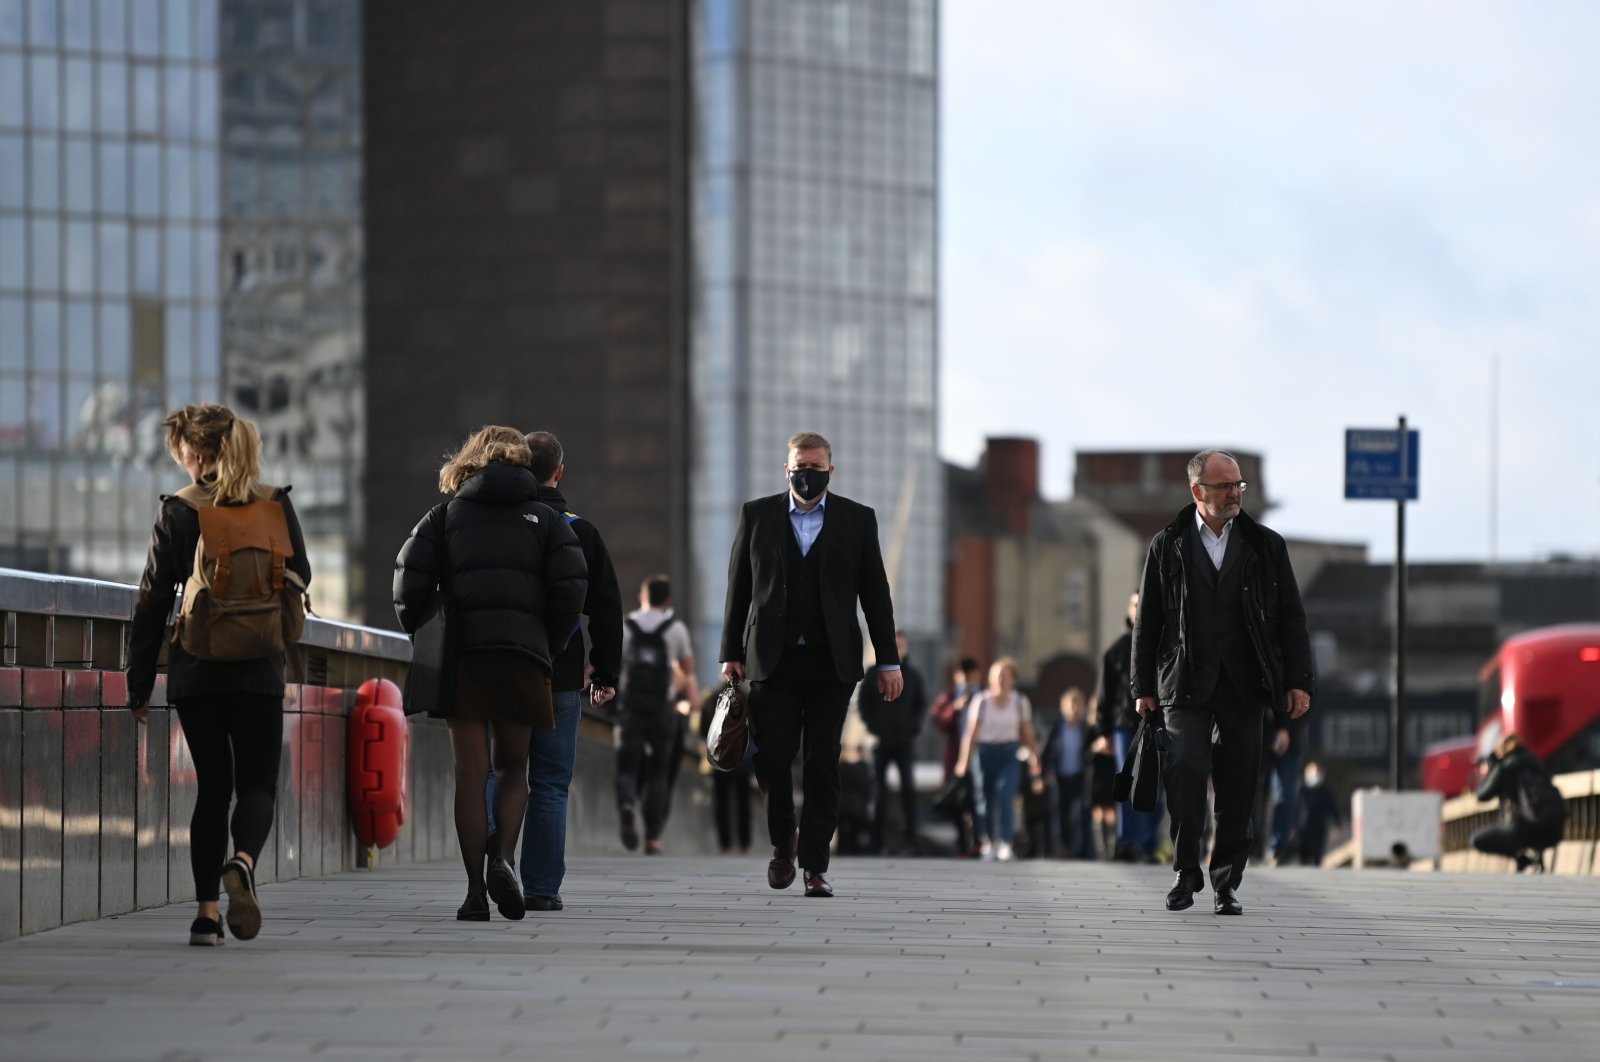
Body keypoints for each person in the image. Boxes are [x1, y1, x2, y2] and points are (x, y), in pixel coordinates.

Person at [128, 403, 312, 946]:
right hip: (260, 665)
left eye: (185, 456)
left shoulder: (180, 510)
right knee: (258, 785)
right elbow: (301, 573)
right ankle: (244, 861)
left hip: (198, 667)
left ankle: (207, 915)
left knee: (213, 788)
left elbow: (153, 600)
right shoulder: (275, 503)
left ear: (200, 453)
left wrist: (139, 682)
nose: (186, 467)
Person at [394, 426, 587, 922]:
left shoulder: (446, 516)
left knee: (470, 773)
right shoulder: (545, 519)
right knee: (514, 770)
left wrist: (425, 630)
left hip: (465, 660)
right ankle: (504, 857)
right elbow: (571, 587)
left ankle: (475, 892)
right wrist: (552, 641)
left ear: (469, 461)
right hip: (524, 658)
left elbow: (407, 582)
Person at [719, 430, 902, 899]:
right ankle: (784, 843)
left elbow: (876, 597)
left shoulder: (858, 521)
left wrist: (888, 661)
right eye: (800, 466)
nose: (807, 474)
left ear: (830, 470)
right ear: (786, 468)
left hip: (830, 664)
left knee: (823, 762)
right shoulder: (757, 515)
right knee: (773, 759)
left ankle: (814, 866)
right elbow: (738, 588)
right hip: (771, 663)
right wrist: (730, 653)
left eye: (816, 467)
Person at [1132, 449, 1313, 916]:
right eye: (1225, 486)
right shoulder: (1165, 545)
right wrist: (1142, 687)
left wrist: (1298, 680)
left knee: (1237, 788)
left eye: (1239, 485)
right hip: (1183, 681)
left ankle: (1226, 882)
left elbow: (1291, 619)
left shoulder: (1266, 546)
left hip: (1244, 681)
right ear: (1198, 492)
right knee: (1186, 770)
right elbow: (1147, 621)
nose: (1235, 493)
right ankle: (1184, 871)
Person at [502, 431, 623, 911]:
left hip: (503, 667)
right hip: (562, 674)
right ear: (559, 472)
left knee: (501, 768)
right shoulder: (581, 531)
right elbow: (608, 608)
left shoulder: (500, 523)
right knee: (551, 781)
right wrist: (606, 672)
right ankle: (542, 888)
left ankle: (495, 861)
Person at [615, 574, 698, 855]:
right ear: (667, 600)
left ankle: (627, 803)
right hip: (663, 709)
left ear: (642, 596)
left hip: (631, 707)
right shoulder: (676, 629)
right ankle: (652, 838)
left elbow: (615, 662)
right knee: (659, 773)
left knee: (627, 766)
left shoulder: (627, 626)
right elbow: (687, 668)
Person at [953, 658, 1043, 862]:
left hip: (1009, 752)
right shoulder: (981, 701)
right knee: (985, 798)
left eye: (1005, 676)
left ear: (1013, 679)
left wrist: (1035, 759)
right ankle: (989, 842)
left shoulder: (1020, 702)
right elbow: (971, 733)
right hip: (985, 753)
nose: (1000, 680)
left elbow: (1028, 734)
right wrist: (963, 761)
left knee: (1006, 794)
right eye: (996, 676)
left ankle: (1006, 842)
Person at [1098, 592, 1161, 862]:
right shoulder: (1118, 649)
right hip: (1125, 725)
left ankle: (1148, 843)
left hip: (1159, 725)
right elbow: (1105, 693)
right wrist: (1103, 731)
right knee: (1128, 783)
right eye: (1136, 605)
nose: (1139, 610)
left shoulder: (1165, 645)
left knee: (1157, 787)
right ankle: (1128, 843)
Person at [859, 630, 928, 855]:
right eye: (894, 645)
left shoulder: (914, 676)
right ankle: (876, 841)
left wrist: (913, 728)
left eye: (901, 645)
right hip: (882, 740)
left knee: (908, 788)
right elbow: (864, 704)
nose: (898, 649)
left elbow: (921, 705)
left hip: (904, 741)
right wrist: (874, 727)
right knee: (879, 792)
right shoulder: (872, 674)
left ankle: (911, 840)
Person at [1470, 734, 1566, 872]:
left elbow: (1482, 796)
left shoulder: (1504, 769)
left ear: (1501, 752)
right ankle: (1538, 857)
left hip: (1517, 830)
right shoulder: (1536, 764)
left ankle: (1522, 858)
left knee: (1476, 840)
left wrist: (1491, 770)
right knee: (1532, 818)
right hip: (1552, 831)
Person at [930, 658, 982, 855]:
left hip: (979, 756)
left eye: (971, 676)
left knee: (978, 801)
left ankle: (978, 842)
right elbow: (938, 719)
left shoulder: (984, 694)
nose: (968, 681)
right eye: (963, 676)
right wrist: (955, 709)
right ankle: (962, 844)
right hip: (955, 757)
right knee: (957, 802)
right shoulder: (951, 696)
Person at [698, 687, 755, 853]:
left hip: (720, 757)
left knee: (722, 803)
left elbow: (703, 729)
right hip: (742, 758)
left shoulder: (713, 696)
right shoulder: (748, 697)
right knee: (744, 802)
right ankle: (746, 844)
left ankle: (726, 845)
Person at [1042, 688, 1091, 859]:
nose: (1074, 709)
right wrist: (1044, 775)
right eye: (1071, 705)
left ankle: (1080, 851)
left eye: (1078, 705)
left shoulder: (1086, 730)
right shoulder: (1056, 729)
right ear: (1063, 707)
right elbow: (1046, 754)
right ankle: (1063, 849)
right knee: (1060, 816)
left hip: (1079, 778)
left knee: (1080, 815)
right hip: (1059, 778)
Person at [1296, 761, 1342, 866]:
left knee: (1317, 857)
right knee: (1303, 857)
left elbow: (1333, 808)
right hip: (1303, 828)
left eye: (1319, 772)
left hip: (1319, 828)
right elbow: (1294, 809)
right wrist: (1291, 826)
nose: (1317, 775)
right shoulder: (1300, 789)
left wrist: (1337, 825)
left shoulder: (1326, 790)